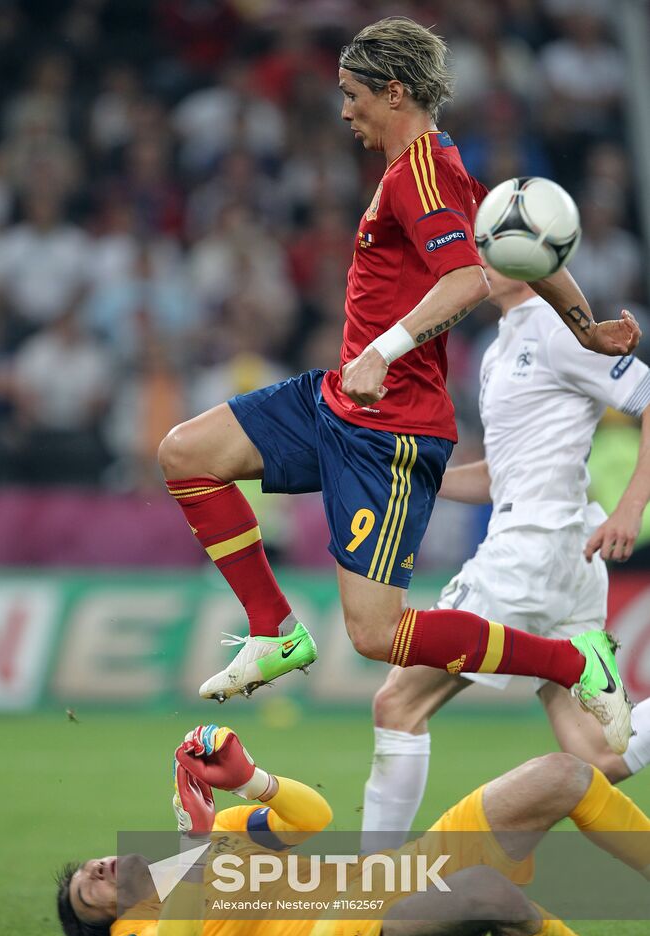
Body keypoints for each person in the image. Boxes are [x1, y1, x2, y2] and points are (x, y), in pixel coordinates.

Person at [157, 17, 641, 752]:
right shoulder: (439, 170)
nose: (343, 110)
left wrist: (382, 352)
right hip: (338, 400)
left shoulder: (421, 172)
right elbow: (523, 250)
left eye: (352, 94)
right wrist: (586, 328)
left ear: (392, 92)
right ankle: (273, 628)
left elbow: (467, 279)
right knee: (186, 453)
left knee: (376, 635)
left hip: (389, 427)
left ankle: (575, 662)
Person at [361, 269, 650, 851]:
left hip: (531, 550)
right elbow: (502, 475)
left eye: (489, 246)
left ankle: (372, 883)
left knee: (399, 702)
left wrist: (631, 506)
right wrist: (422, 478)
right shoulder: (499, 350)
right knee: (599, 753)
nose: (476, 261)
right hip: (564, 554)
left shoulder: (558, 328)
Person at [56, 722, 650, 936]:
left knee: (562, 774)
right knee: (486, 892)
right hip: (358, 934)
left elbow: (312, 818)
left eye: (90, 865)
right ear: (105, 922)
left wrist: (250, 781)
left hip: (403, 870)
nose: (97, 868)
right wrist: (193, 841)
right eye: (90, 889)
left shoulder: (224, 830)